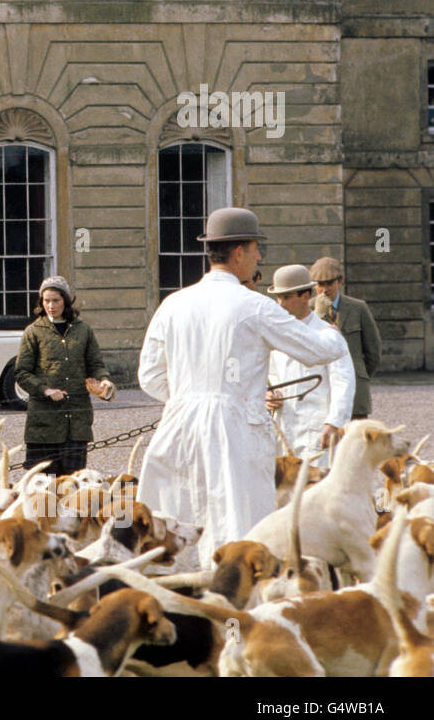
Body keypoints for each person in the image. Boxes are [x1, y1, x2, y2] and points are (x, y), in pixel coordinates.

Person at [137, 207, 350, 562]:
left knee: (177, 526)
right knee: (239, 527)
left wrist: (190, 400)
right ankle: (235, 609)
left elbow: (150, 376)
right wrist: (330, 326)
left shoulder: (173, 304)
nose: (259, 257)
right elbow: (319, 350)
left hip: (178, 426)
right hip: (234, 430)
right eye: (255, 249)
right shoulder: (254, 306)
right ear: (238, 253)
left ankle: (181, 604)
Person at [13, 276, 114, 477]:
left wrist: (104, 381)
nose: (51, 306)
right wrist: (45, 390)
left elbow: (95, 365)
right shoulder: (33, 332)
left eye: (56, 300)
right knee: (44, 487)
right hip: (43, 424)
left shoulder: (83, 330)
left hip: (76, 422)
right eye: (46, 301)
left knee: (73, 483)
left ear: (66, 301)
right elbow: (22, 372)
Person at [264, 265, 355, 465]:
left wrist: (334, 423)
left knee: (317, 489)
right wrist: (268, 395)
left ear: (306, 296)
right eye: (278, 298)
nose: (280, 304)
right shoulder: (274, 335)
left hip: (316, 429)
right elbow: (268, 377)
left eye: (287, 297)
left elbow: (343, 382)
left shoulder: (327, 335)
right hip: (283, 427)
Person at [309, 256, 381, 420]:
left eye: (329, 283)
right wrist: (318, 315)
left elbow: (373, 352)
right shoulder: (307, 310)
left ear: (340, 281)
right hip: (320, 388)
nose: (325, 289)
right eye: (320, 284)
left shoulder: (358, 308)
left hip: (355, 388)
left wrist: (358, 374)